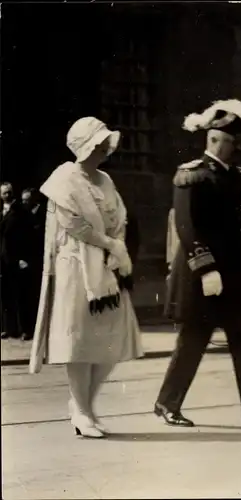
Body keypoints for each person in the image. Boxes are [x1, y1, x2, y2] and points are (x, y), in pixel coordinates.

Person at [154, 99, 241, 434]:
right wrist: (206, 268)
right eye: (233, 143)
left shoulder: (236, 177)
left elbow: (239, 227)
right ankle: (167, 402)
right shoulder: (193, 176)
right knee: (193, 341)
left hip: (235, 274)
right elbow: (187, 228)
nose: (237, 149)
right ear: (215, 140)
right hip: (204, 275)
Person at [29, 117, 143, 438]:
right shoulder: (65, 178)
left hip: (105, 267)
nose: (108, 148)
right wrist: (110, 244)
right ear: (88, 146)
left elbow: (119, 217)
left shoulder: (105, 179)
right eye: (102, 142)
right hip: (75, 267)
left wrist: (115, 247)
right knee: (78, 341)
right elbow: (74, 225)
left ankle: (83, 406)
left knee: (111, 341)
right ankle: (81, 410)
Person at [0, 183, 32, 339]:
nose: (7, 195)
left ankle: (24, 329)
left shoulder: (21, 212)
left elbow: (26, 237)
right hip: (3, 260)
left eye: (10, 192)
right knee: (5, 295)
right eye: (5, 193)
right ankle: (8, 328)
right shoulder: (1, 212)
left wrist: (24, 258)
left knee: (20, 295)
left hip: (16, 258)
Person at [20, 188, 47, 340]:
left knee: (38, 296)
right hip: (24, 262)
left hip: (39, 261)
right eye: (23, 200)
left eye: (27, 200)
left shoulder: (43, 214)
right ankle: (28, 330)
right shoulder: (22, 215)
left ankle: (39, 330)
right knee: (26, 297)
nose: (24, 203)